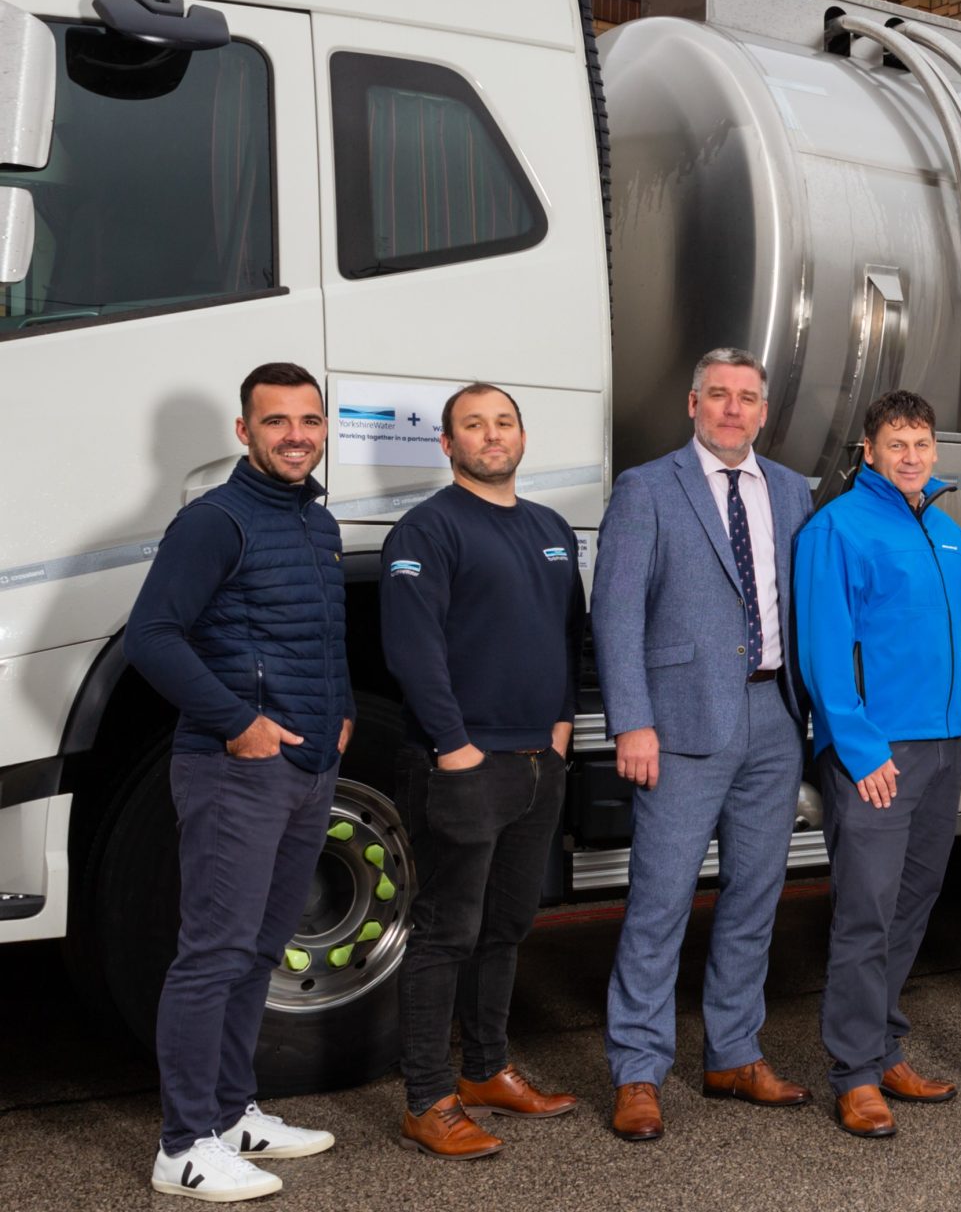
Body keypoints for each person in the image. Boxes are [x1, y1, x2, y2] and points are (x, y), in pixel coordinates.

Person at [127, 362, 349, 1203]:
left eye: (309, 419)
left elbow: (312, 634)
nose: (296, 434)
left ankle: (230, 1113)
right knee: (211, 956)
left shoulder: (315, 522)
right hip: (234, 770)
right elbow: (152, 635)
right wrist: (237, 723)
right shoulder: (215, 521)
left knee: (258, 950)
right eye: (277, 420)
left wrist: (336, 716)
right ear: (244, 432)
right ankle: (182, 1147)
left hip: (306, 768)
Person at [596, 349, 814, 1142]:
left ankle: (733, 1052)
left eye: (746, 399)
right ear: (692, 403)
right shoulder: (648, 487)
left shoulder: (793, 492)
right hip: (680, 725)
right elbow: (615, 612)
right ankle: (638, 1071)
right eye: (717, 396)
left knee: (754, 901)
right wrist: (632, 721)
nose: (732, 410)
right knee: (659, 904)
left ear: (763, 412)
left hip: (773, 721)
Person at [380, 383, 584, 1158]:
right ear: (448, 444)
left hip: (540, 761)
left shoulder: (549, 527)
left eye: (503, 423)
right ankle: (427, 1100)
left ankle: (488, 1070)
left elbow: (568, 638)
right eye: (474, 426)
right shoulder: (427, 529)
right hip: (462, 764)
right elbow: (412, 651)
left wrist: (560, 734)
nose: (491, 436)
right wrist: (456, 748)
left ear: (522, 437)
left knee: (507, 925)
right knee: (445, 931)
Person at [796, 390, 961, 1138]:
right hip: (878, 750)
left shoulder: (949, 531)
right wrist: (860, 748)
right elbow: (825, 650)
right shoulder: (836, 528)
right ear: (868, 450)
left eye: (922, 444)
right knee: (866, 909)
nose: (910, 456)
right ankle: (855, 1074)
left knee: (913, 900)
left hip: (944, 744)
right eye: (896, 443)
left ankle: (883, 1043)